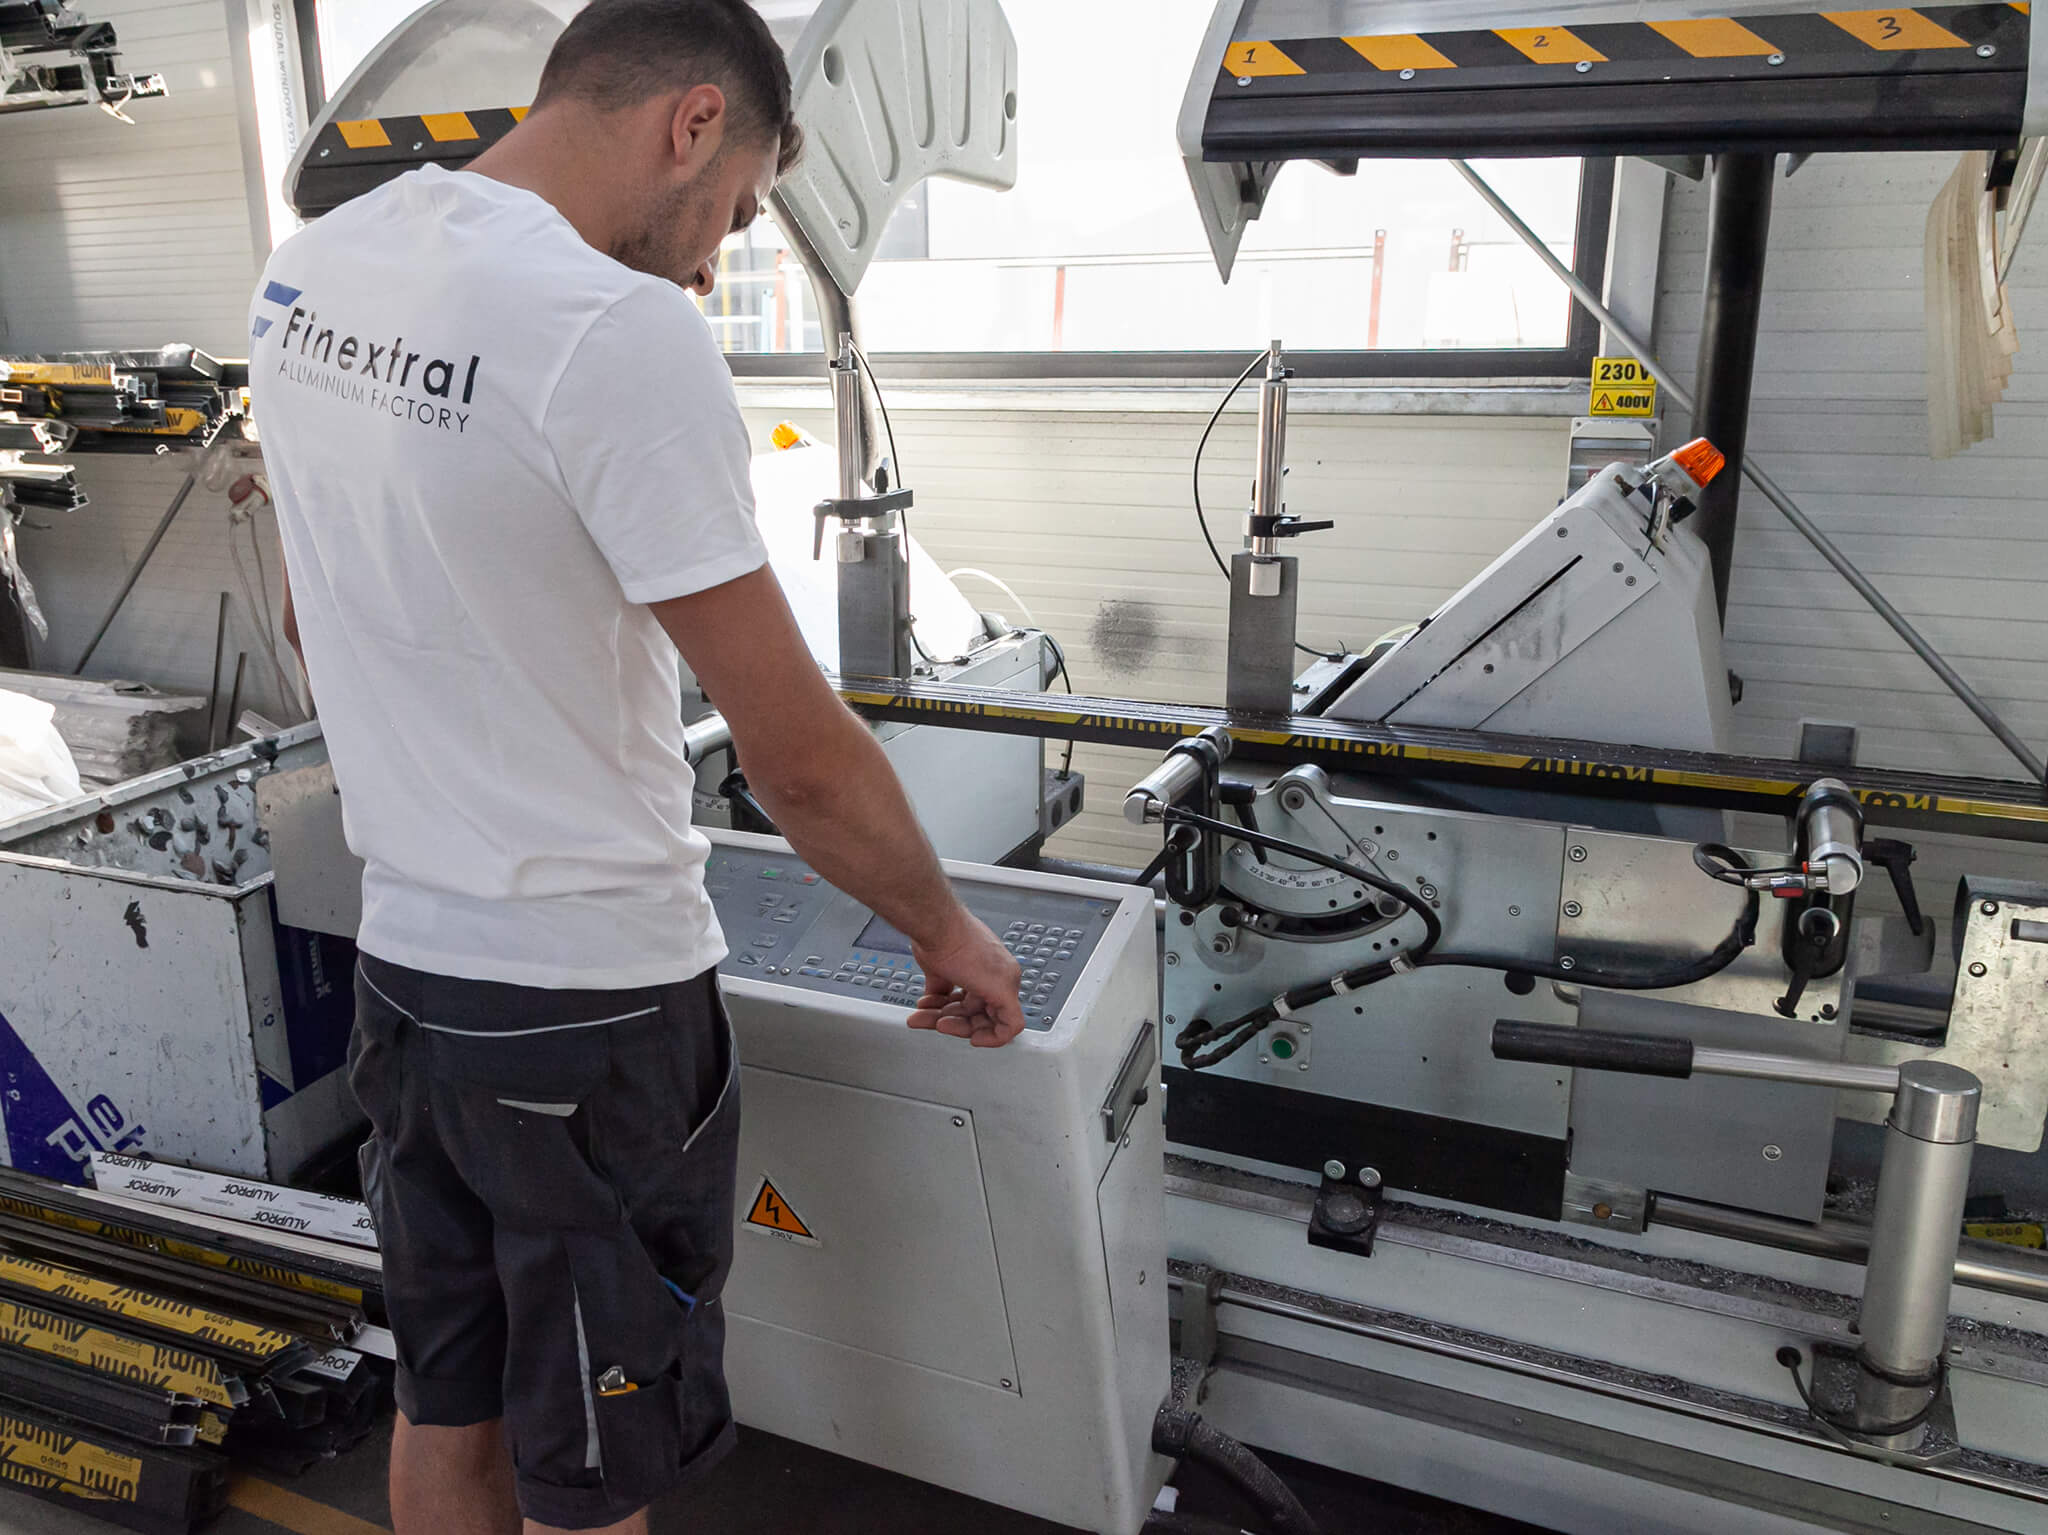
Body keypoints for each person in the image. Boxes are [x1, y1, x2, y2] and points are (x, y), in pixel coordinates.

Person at [248, 3, 1025, 1531]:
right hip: (592, 1016)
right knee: (596, 1473)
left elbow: (304, 615)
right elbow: (794, 757)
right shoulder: (616, 332)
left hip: (406, 983)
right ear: (693, 122)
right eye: (736, 212)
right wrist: (948, 933)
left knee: (446, 1401)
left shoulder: (316, 268)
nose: (713, 261)